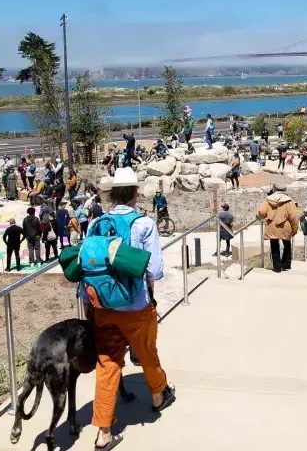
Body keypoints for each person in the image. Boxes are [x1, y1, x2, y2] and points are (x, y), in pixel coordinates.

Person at [87, 167, 175, 449]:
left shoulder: (96, 223)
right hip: (136, 306)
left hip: (103, 306)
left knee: (107, 364)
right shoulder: (144, 224)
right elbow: (156, 270)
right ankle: (159, 395)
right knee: (147, 353)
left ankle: (103, 431)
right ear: (136, 192)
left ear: (111, 194)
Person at [256, 183, 300, 273]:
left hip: (272, 226)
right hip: (285, 226)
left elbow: (261, 212)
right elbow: (294, 217)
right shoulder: (289, 201)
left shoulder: (268, 200)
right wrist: (295, 229)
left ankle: (277, 267)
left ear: (274, 189)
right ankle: (286, 264)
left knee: (274, 246)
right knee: (287, 245)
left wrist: (260, 216)